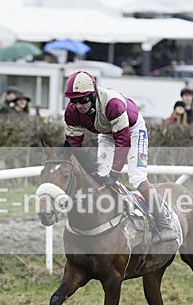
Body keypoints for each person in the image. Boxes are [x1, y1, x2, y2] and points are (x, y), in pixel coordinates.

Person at [63, 70, 177, 243]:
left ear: (92, 95)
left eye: (83, 100)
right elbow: (74, 144)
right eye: (74, 101)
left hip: (132, 130)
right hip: (107, 132)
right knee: (100, 176)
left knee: (137, 177)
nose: (79, 105)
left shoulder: (113, 104)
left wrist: (114, 173)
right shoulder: (71, 112)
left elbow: (123, 141)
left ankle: (164, 224)